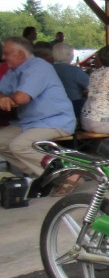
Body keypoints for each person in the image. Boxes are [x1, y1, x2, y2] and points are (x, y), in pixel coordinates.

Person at [0, 37, 76, 176]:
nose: (3, 57)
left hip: (55, 121)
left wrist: (6, 99)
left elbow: (21, 98)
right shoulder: (13, 71)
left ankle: (68, 172)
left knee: (19, 146)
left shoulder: (39, 67)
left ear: (20, 54)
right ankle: (44, 175)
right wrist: (3, 98)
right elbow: (1, 91)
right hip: (29, 122)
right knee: (1, 142)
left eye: (7, 53)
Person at [51, 42, 89, 121]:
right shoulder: (75, 70)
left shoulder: (49, 69)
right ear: (69, 55)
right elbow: (91, 85)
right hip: (73, 104)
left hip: (52, 105)